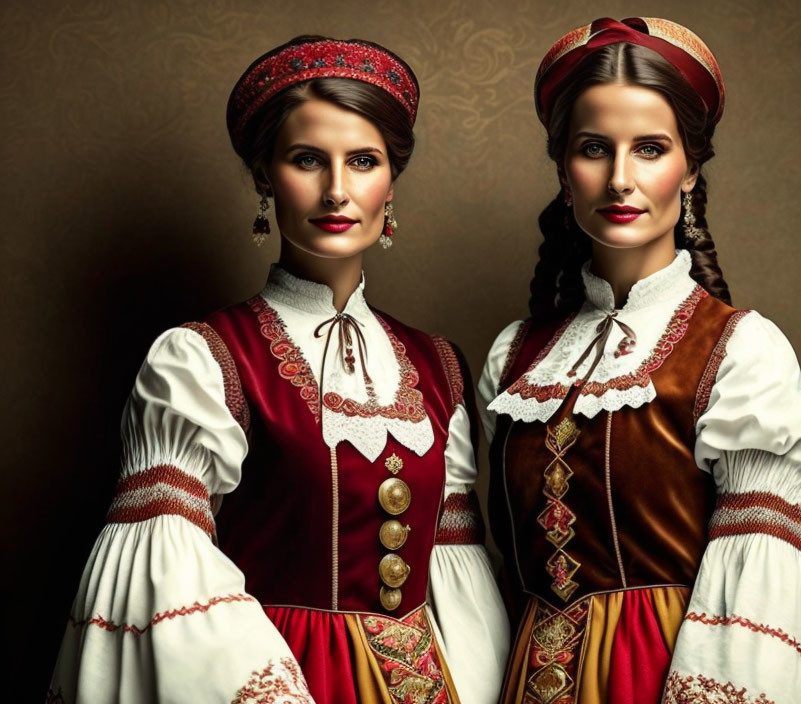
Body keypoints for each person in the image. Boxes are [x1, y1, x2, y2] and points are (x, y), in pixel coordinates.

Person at [49, 35, 509, 704]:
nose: (337, 190)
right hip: (278, 679)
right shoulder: (202, 358)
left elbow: (456, 578)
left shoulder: (437, 367)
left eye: (363, 161)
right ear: (265, 175)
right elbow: (167, 570)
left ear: (390, 181)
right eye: (306, 161)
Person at [477, 17, 801, 704]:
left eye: (649, 148)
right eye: (593, 149)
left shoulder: (740, 352)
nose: (619, 179)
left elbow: (758, 594)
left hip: (666, 679)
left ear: (690, 167)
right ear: (563, 168)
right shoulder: (513, 358)